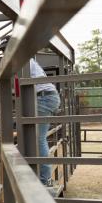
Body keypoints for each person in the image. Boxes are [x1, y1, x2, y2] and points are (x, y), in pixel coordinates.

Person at [30, 57, 61, 185]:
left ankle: (45, 179)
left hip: (43, 97)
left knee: (38, 139)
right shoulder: (29, 60)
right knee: (38, 138)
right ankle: (44, 177)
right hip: (47, 96)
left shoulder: (21, 60)